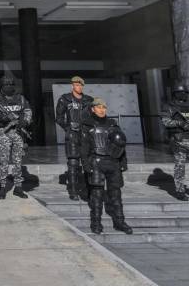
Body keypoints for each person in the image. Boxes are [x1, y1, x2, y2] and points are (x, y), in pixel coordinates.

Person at [80, 98, 132, 235]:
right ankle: (96, 223)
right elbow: (84, 147)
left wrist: (123, 162)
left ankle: (120, 222)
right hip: (96, 162)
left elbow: (121, 144)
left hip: (113, 162)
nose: (102, 110)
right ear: (93, 109)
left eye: (104, 107)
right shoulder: (87, 125)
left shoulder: (113, 124)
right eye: (99, 107)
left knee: (116, 194)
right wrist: (85, 164)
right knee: (96, 195)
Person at [0, 76, 32, 199]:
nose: (9, 87)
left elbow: (28, 111)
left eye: (11, 84)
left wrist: (24, 122)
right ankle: (2, 187)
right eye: (6, 85)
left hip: (18, 133)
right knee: (4, 161)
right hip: (4, 133)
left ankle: (18, 187)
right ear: (1, 86)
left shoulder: (21, 99)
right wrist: (1, 116)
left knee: (18, 161)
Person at [55, 76, 94, 200]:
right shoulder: (65, 99)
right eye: (76, 84)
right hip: (72, 135)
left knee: (88, 163)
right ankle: (73, 190)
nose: (79, 87)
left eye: (81, 85)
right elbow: (59, 117)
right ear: (72, 85)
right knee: (73, 164)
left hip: (86, 135)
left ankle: (89, 190)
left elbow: (94, 116)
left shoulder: (89, 100)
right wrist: (68, 128)